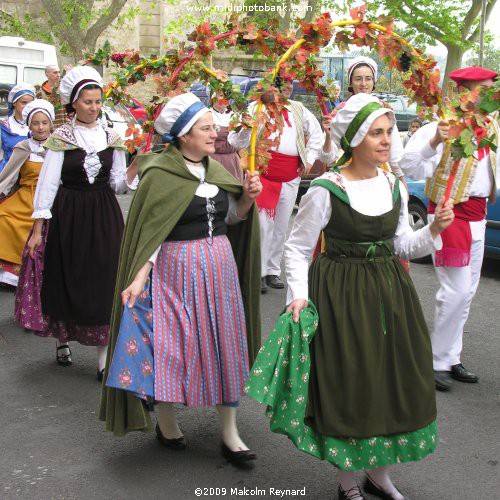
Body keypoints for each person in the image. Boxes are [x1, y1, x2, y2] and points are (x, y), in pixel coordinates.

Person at [247, 93, 455, 500]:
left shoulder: (393, 182)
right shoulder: (327, 188)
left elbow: (401, 246)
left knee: (390, 381)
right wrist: (299, 296)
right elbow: (296, 246)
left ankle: (379, 475)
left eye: (389, 132)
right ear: (355, 137)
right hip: (340, 294)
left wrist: (434, 230)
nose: (386, 140)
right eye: (376, 133)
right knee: (352, 382)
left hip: (389, 293)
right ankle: (347, 482)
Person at [100, 93, 262, 464]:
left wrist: (248, 199)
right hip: (175, 270)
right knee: (174, 345)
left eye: (212, 126)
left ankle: (230, 431)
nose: (214, 133)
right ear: (183, 135)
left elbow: (232, 219)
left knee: (224, 344)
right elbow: (152, 234)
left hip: (219, 269)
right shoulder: (158, 174)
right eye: (206, 128)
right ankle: (168, 422)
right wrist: (139, 277)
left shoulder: (218, 171)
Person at [17, 66, 137, 379]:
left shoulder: (113, 137)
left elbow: (118, 185)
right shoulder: (61, 138)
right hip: (68, 214)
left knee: (105, 278)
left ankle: (103, 357)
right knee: (66, 275)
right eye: (87, 102)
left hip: (103, 213)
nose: (94, 107)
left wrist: (136, 166)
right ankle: (62, 339)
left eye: (98, 101)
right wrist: (39, 228)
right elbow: (48, 183)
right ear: (73, 103)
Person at [400, 66, 498, 392]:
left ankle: (450, 356)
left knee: (466, 293)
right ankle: (436, 361)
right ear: (463, 91)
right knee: (454, 291)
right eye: (481, 89)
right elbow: (409, 164)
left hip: (478, 218)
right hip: (448, 215)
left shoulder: (492, 129)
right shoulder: (442, 125)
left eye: (489, 89)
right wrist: (432, 141)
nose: (487, 95)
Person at [228, 73, 335, 293]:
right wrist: (246, 127)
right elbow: (234, 140)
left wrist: (310, 157)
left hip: (290, 175)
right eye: (282, 83)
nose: (288, 87)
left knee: (281, 225)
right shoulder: (255, 109)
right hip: (263, 174)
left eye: (289, 83)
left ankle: (272, 271)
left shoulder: (297, 109)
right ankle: (256, 271)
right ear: (271, 86)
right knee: (262, 225)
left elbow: (315, 134)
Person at [0, 100, 54, 287]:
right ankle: (11, 274)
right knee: (4, 218)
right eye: (36, 123)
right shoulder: (23, 147)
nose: (40, 127)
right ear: (29, 124)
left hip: (48, 198)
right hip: (24, 196)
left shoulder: (58, 148)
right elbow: (9, 176)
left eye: (44, 123)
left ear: (50, 124)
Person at [207, 88, 244, 182]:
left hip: (232, 161)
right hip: (212, 161)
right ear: (212, 98)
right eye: (221, 95)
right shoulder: (207, 115)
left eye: (227, 96)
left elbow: (241, 143)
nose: (225, 99)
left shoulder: (235, 115)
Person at [0, 83, 36, 173]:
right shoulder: (4, 125)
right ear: (14, 103)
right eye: (23, 102)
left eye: (30, 103)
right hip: (8, 172)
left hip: (30, 174)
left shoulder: (37, 125)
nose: (27, 106)